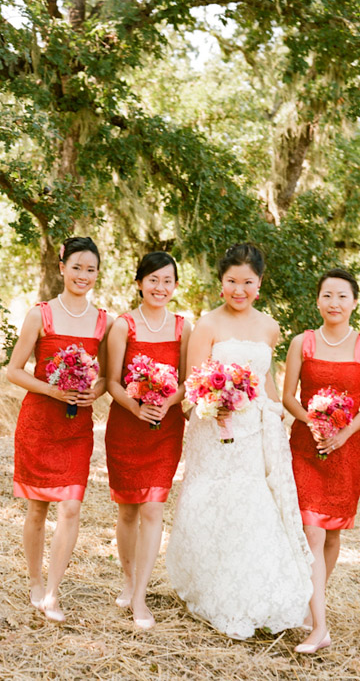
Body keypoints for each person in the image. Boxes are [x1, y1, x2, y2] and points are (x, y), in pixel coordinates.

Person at [165, 243, 312, 640]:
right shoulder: (207, 325)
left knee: (251, 508)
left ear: (259, 284)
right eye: (232, 281)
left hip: (254, 430)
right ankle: (214, 593)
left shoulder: (269, 326)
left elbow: (265, 377)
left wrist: (274, 408)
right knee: (213, 505)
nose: (239, 289)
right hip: (215, 427)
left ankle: (251, 595)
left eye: (247, 282)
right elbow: (194, 382)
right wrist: (216, 405)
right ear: (221, 283)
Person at [7, 236, 110, 622]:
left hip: (76, 426)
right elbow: (14, 371)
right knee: (36, 508)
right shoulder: (41, 315)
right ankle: (34, 580)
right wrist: (52, 388)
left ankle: (52, 592)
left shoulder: (104, 321)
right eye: (77, 267)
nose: (83, 275)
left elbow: (106, 377)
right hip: (39, 422)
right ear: (62, 267)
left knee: (70, 507)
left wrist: (93, 392)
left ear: (98, 274)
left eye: (91, 269)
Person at [283, 268, 360, 653]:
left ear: (354, 302)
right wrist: (314, 422)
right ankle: (319, 627)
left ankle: (313, 605)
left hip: (347, 448)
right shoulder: (302, 343)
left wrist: (342, 432)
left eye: (342, 296)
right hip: (306, 446)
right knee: (312, 531)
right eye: (327, 295)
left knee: (332, 533)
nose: (334, 303)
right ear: (318, 300)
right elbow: (289, 396)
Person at [105, 251, 191, 630]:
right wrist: (136, 407)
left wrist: (166, 401)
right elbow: (111, 381)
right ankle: (127, 578)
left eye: (167, 281)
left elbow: (188, 380)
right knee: (127, 511)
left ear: (174, 286)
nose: (160, 287)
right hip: (127, 425)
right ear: (139, 282)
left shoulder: (183, 328)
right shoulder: (123, 326)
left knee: (153, 509)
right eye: (153, 280)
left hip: (166, 428)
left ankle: (140, 595)